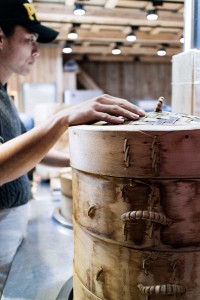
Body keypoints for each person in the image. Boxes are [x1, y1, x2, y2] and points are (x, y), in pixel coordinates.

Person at [0, 0, 145, 296]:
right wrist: (63, 118)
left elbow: (26, 153)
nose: (36, 51)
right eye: (29, 40)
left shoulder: (4, 96)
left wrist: (82, 161)